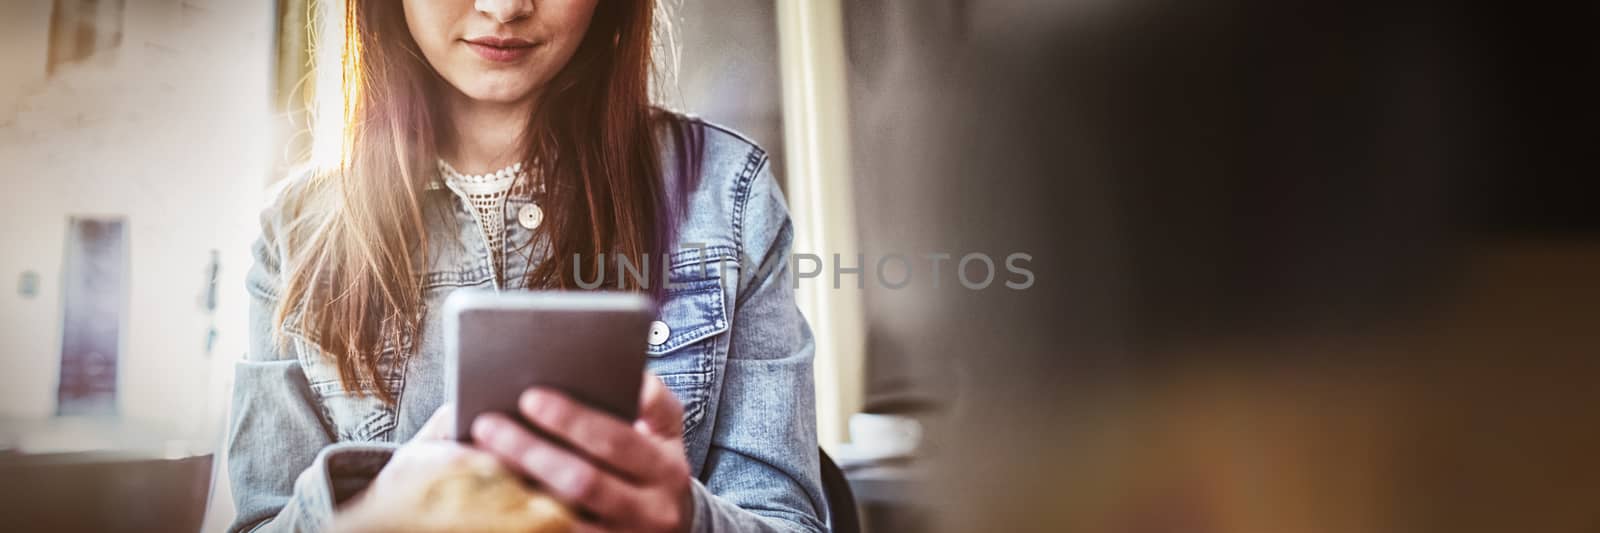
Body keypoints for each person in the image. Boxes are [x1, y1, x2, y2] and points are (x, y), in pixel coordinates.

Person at [225, 1, 824, 531]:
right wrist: (371, 514)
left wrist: (687, 522)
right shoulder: (294, 234)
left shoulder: (726, 195)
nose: (505, 7)